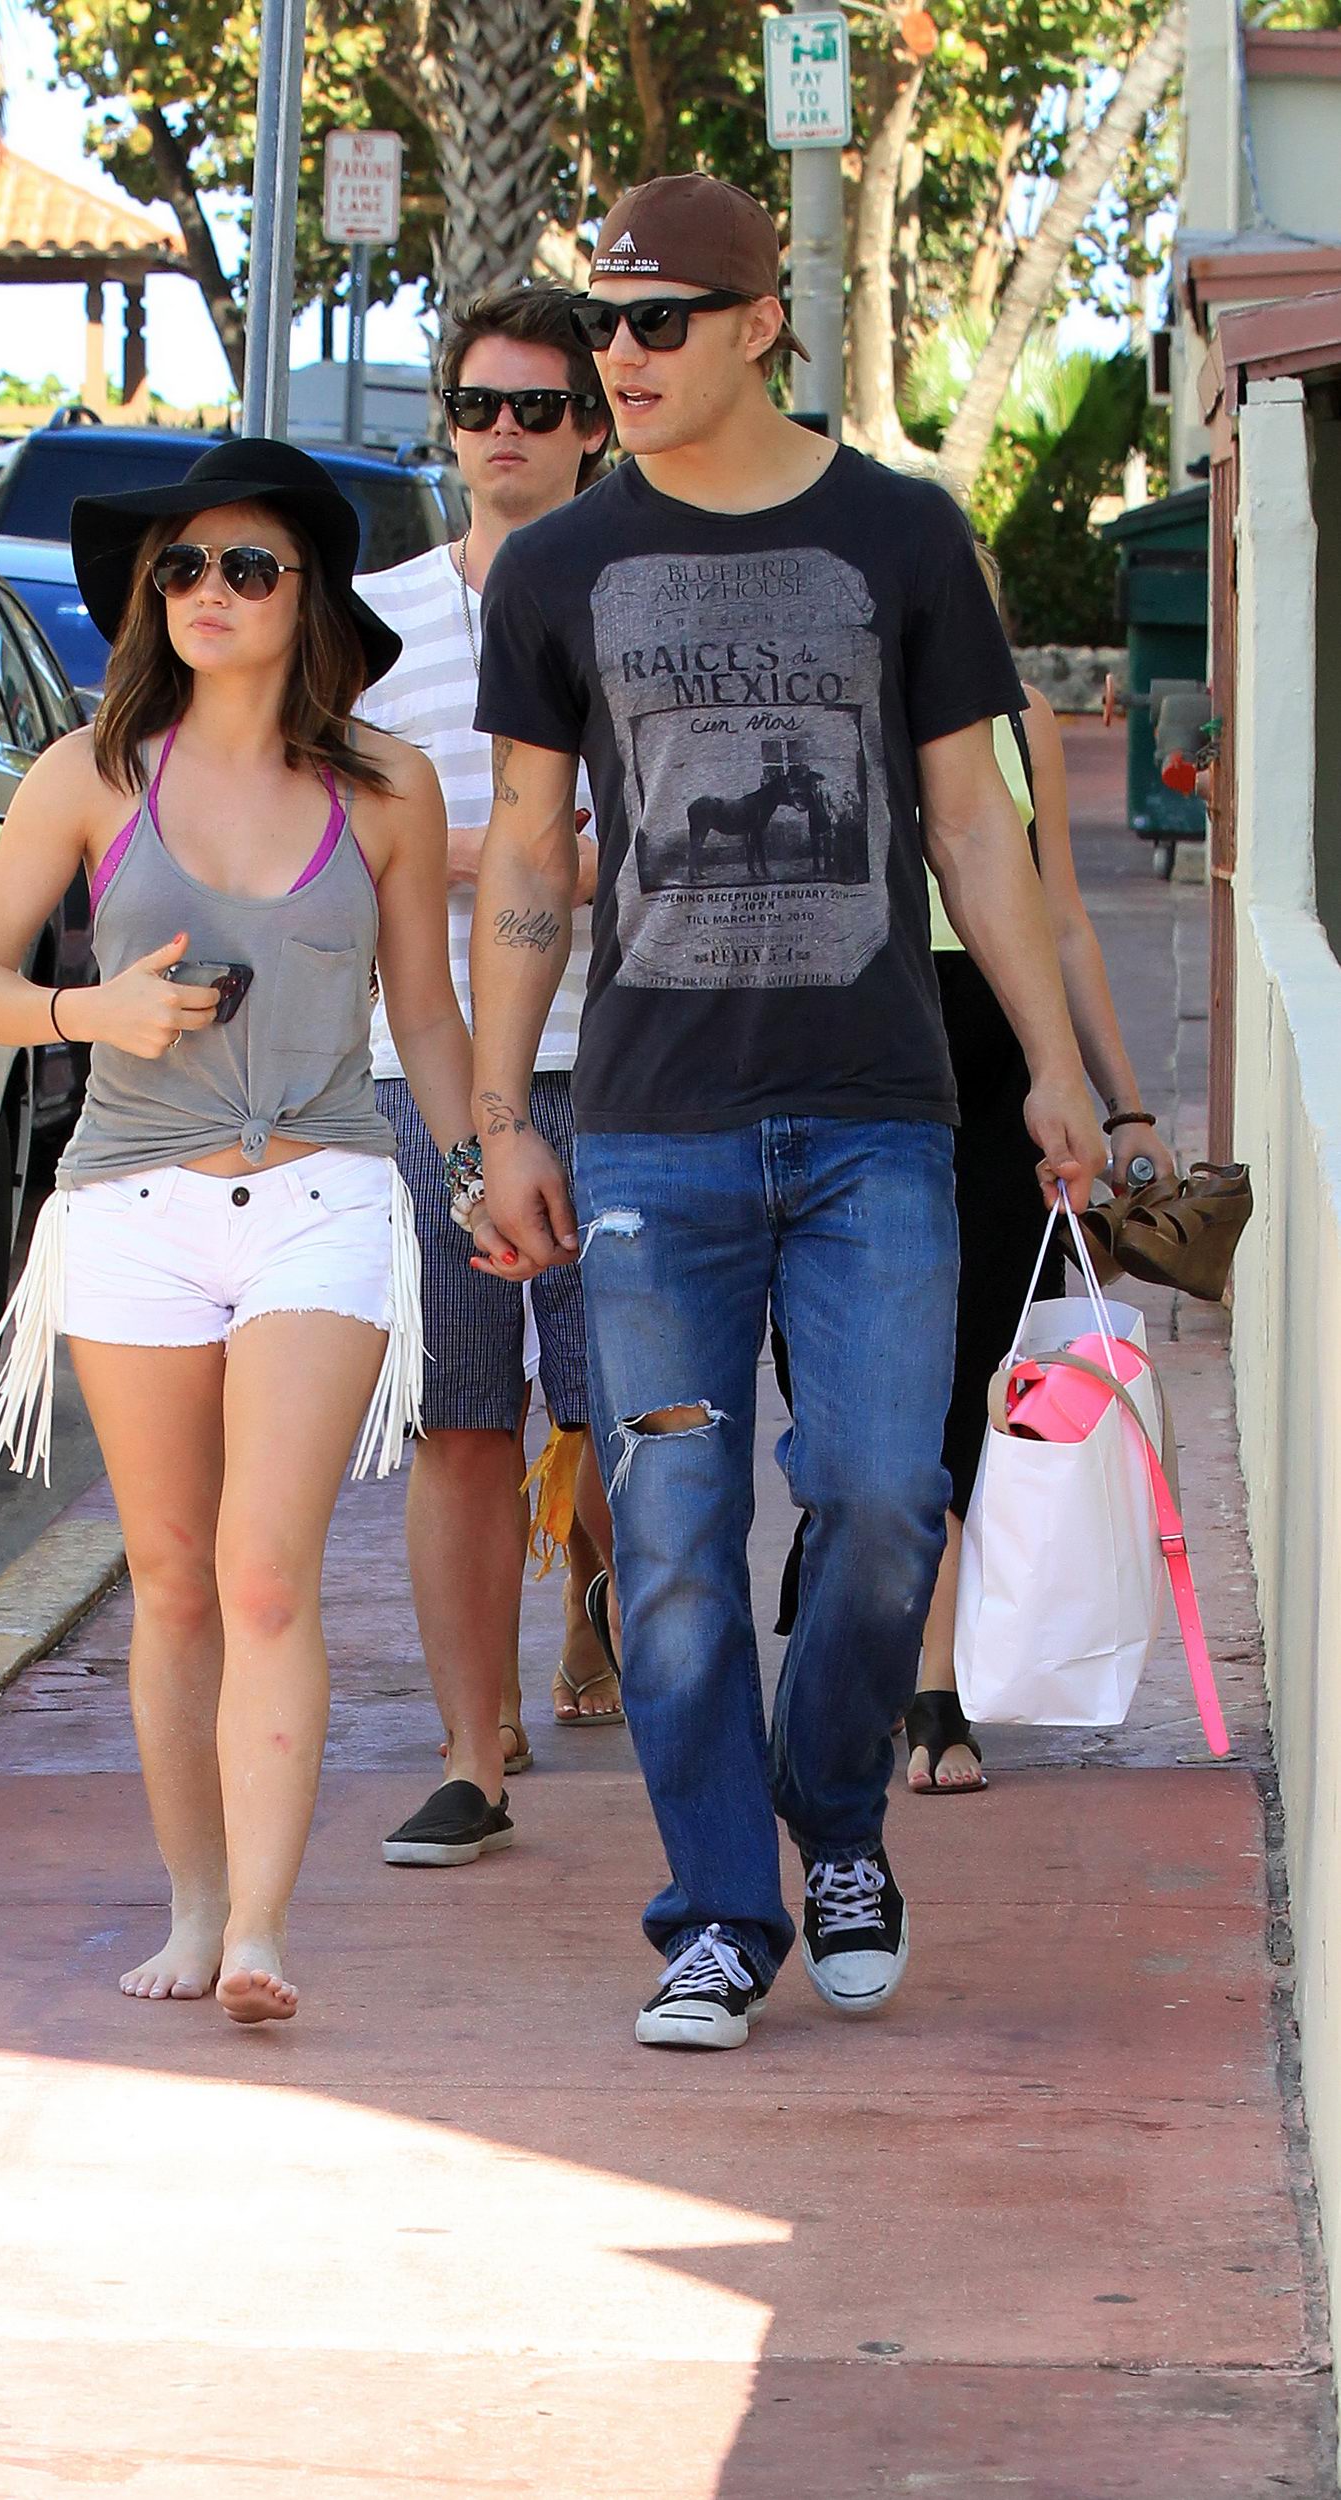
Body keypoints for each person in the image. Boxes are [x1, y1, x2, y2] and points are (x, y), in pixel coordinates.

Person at [465, 173, 1106, 2052]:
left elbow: (973, 824)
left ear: (759, 325)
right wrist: (506, 1113)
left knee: (884, 1502)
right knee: (667, 1535)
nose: (619, 359)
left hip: (875, 1120)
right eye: (603, 326)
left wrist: (1054, 1061)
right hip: (653, 1127)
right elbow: (527, 848)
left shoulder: (899, 536)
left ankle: (834, 1825)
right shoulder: (563, 567)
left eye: (658, 322)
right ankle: (720, 1911)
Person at [0, 440, 515, 2025]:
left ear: (305, 596)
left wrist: (477, 1167)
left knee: (267, 1575)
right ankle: (191, 1903)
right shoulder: (89, 776)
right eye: (180, 569)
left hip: (321, 1195)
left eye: (245, 568)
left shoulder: (383, 785)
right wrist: (92, 1008)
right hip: (126, 1208)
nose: (207, 592)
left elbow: (431, 1014)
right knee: (173, 1575)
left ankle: (260, 1929)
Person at [774, 588, 1178, 1792]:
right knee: (837, 1377)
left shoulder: (1020, 721)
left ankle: (931, 1682)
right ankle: (870, 1633)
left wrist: (1121, 1101)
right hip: (838, 1045)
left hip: (993, 1056)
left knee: (965, 1371)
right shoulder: (798, 710)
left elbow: (1056, 925)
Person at [358, 281, 622, 1872]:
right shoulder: (379, 620)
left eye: (539, 407)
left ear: (595, 424)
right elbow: (332, 844)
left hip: (632, 1062)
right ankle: (472, 1749)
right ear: (446, 425)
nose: (505, 434)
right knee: (459, 1417)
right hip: (425, 1076)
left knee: (635, 1413)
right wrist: (514, 854)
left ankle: (643, 1667)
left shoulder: (645, 589)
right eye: (478, 407)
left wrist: (491, 862)